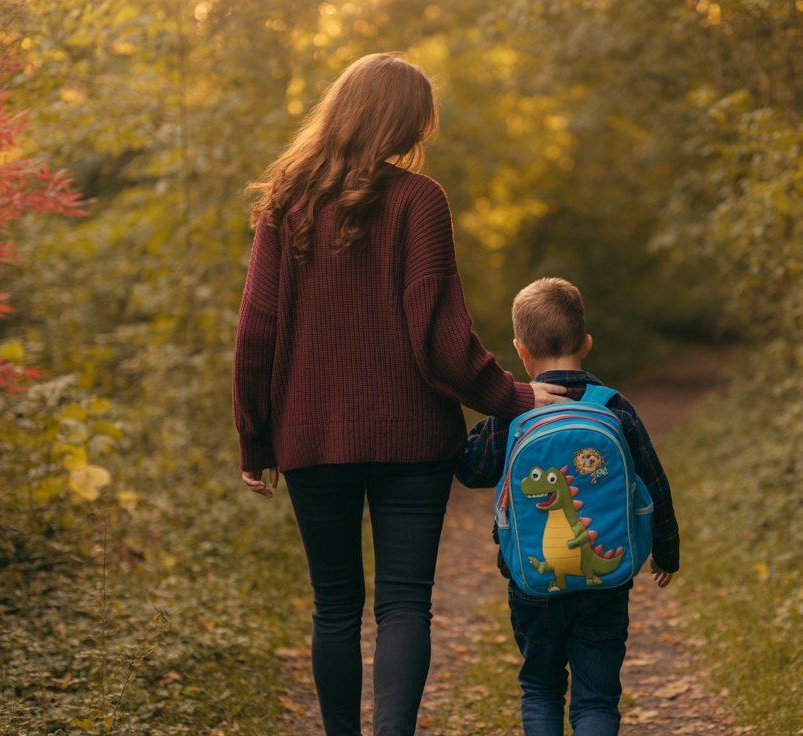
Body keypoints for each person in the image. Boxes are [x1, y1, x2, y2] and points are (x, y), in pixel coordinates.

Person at [231, 53, 569, 736]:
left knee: (333, 607)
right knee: (404, 605)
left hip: (310, 435)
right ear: (407, 120)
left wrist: (256, 437)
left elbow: (256, 334)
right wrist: (513, 397)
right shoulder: (421, 201)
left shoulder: (287, 205)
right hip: (412, 437)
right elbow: (441, 339)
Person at [455, 277, 681, 736]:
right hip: (605, 586)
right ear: (587, 343)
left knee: (540, 688)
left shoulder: (513, 412)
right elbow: (655, 484)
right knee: (596, 698)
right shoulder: (616, 407)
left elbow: (472, 471)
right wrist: (667, 551)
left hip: (532, 584)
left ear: (520, 350)